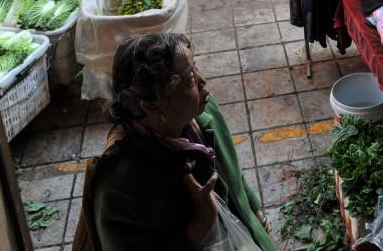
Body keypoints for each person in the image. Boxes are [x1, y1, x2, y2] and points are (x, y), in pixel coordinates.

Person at [73, 34, 277, 251]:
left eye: (195, 67)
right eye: (189, 79)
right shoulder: (120, 190)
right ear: (152, 106)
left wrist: (258, 218)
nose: (202, 80)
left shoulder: (205, 114)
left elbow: (236, 179)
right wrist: (202, 222)